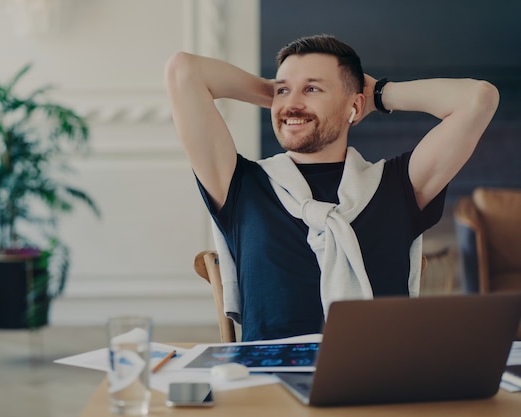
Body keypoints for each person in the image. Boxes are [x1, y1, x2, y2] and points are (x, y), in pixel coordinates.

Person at [165, 34, 499, 342]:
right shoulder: (241, 185)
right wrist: (278, 93)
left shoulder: (398, 185)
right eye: (283, 90)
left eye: (312, 89)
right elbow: (184, 71)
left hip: (379, 385)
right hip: (270, 387)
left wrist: (379, 95)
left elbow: (478, 99)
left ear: (354, 106)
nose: (291, 103)